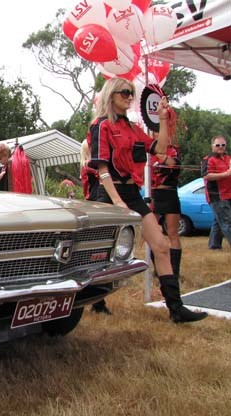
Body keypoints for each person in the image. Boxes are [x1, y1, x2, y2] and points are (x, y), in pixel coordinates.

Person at [88, 77, 207, 323]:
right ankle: (94, 301)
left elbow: (161, 148)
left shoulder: (133, 128)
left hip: (132, 193)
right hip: (109, 193)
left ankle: (176, 309)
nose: (130, 97)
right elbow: (102, 168)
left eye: (131, 93)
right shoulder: (101, 126)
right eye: (125, 93)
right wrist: (116, 201)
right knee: (101, 252)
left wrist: (163, 119)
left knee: (161, 246)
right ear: (111, 95)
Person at [80, 140, 112, 315]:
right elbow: (105, 176)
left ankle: (98, 302)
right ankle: (97, 302)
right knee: (97, 256)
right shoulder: (89, 166)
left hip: (95, 206)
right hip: (96, 207)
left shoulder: (87, 165)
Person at [150, 144, 183, 278]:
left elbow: (173, 163)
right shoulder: (148, 152)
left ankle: (174, 271)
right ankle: (158, 269)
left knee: (172, 233)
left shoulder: (173, 150)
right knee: (153, 233)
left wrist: (156, 152)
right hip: (154, 194)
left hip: (169, 192)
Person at [201, 135, 231, 246]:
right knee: (227, 222)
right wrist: (226, 174)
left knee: (218, 221)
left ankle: (214, 245)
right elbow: (206, 175)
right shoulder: (208, 159)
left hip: (229, 194)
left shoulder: (228, 158)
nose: (221, 147)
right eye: (218, 145)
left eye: (223, 145)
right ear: (212, 146)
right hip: (217, 195)